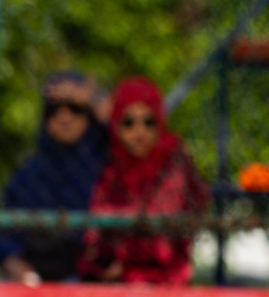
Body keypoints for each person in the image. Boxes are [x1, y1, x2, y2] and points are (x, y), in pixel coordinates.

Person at [79, 76, 209, 285]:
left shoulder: (172, 163)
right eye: (128, 123)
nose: (139, 132)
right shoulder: (112, 170)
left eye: (149, 122)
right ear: (116, 125)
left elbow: (166, 231)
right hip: (117, 277)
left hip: (166, 277)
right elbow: (96, 232)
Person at [0, 72, 108, 285]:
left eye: (75, 109)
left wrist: (92, 97)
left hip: (91, 276)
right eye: (54, 110)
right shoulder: (28, 175)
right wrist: (22, 272)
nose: (64, 118)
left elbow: (131, 125)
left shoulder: (108, 164)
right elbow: (7, 243)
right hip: (35, 277)